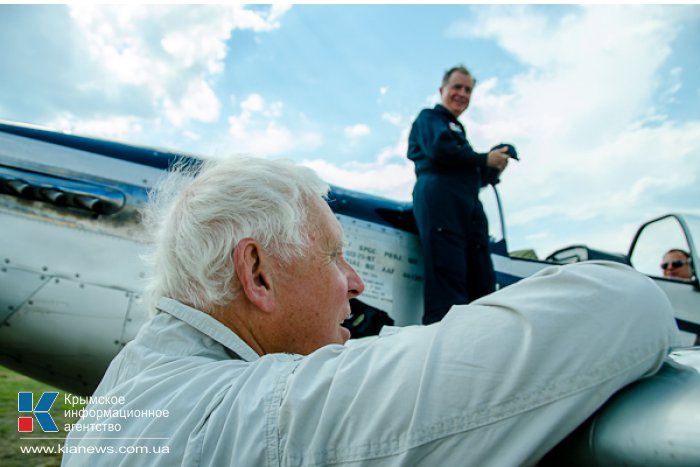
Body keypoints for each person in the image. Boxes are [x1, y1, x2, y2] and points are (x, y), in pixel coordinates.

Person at [63, 156, 680, 466]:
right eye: (334, 256)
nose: (355, 283)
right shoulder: (259, 415)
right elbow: (623, 305)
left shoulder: (121, 395)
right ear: (256, 274)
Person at [407, 64, 512, 325]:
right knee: (448, 280)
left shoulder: (459, 134)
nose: (462, 94)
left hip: (469, 209)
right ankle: (441, 351)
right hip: (441, 202)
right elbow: (441, 150)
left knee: (481, 282)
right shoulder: (430, 119)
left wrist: (494, 166)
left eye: (468, 90)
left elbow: (472, 175)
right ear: (442, 90)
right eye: (457, 87)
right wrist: (483, 158)